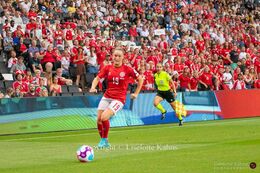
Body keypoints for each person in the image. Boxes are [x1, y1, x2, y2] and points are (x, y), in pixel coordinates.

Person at [89, 47, 143, 148]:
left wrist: (136, 93)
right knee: (99, 120)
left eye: (119, 56)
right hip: (107, 96)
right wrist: (93, 87)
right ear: (112, 56)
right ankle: (104, 141)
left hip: (119, 99)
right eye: (115, 55)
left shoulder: (128, 69)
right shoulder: (107, 67)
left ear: (123, 57)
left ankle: (104, 140)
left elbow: (140, 79)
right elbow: (97, 78)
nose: (117, 58)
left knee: (104, 117)